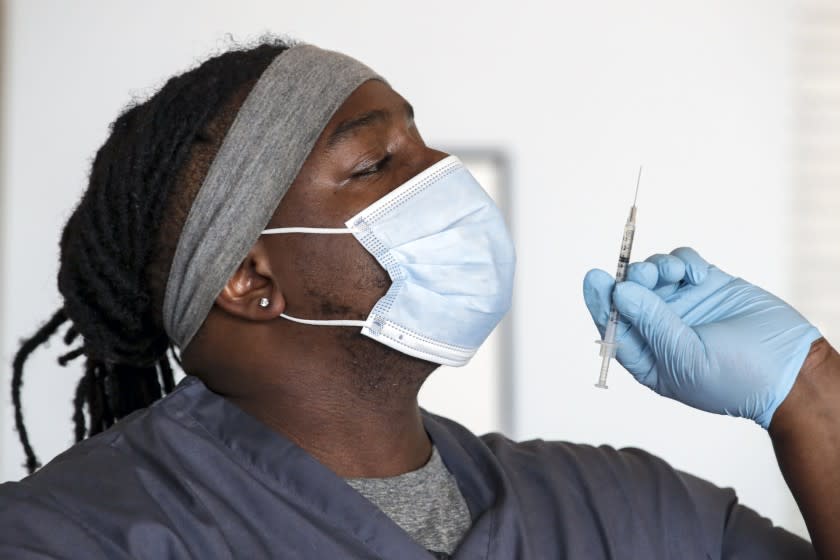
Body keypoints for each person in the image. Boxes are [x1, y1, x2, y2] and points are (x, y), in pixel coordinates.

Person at [0, 38, 837, 559]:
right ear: (251, 280)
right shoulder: (71, 537)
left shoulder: (630, 513)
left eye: (423, 140)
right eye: (376, 164)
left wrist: (807, 388)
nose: (442, 175)